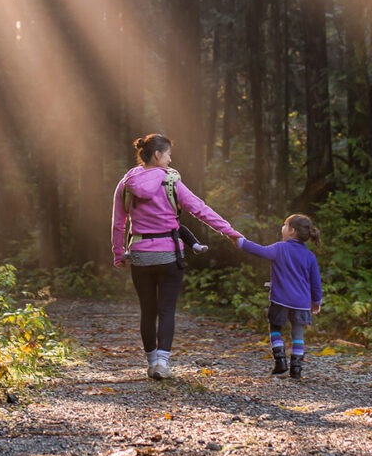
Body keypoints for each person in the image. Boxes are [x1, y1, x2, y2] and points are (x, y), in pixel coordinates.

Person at [112, 132, 241, 380]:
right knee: (166, 310)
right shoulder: (171, 182)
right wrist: (230, 232)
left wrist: (119, 253)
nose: (170, 160)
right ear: (158, 155)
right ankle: (163, 363)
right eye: (169, 154)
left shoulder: (126, 182)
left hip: (140, 255)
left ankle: (151, 363)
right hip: (169, 255)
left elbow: (119, 223)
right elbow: (200, 209)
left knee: (147, 311)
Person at [236, 213, 322, 379]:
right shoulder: (310, 256)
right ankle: (296, 368)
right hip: (302, 303)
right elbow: (316, 282)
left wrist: (240, 242)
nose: (282, 228)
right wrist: (316, 302)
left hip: (280, 300)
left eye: (285, 225)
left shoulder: (279, 248)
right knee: (298, 334)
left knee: (275, 328)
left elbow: (259, 251)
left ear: (291, 231)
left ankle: (280, 361)